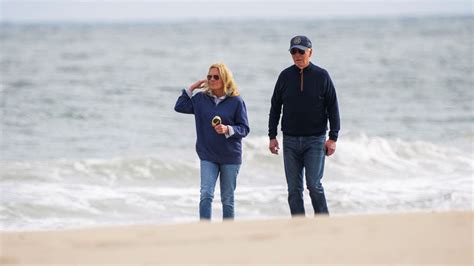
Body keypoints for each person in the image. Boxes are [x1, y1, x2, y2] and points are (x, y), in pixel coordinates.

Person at [268, 35, 340, 216]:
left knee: (314, 185)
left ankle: (323, 221)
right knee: (293, 189)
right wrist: (272, 136)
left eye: (301, 51)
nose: (297, 55)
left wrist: (333, 138)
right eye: (294, 51)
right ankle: (299, 226)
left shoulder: (322, 76)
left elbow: (333, 107)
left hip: (315, 140)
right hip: (290, 140)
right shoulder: (284, 76)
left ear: (310, 52)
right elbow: (275, 107)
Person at [174, 62, 250, 220]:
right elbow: (180, 106)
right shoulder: (201, 99)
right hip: (208, 155)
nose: (212, 79)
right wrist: (192, 88)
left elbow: (244, 128)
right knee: (206, 194)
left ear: (225, 79)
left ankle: (228, 232)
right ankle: (205, 230)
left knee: (227, 199)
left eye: (216, 76)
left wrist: (228, 129)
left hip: (230, 157)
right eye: (209, 76)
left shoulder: (236, 101)